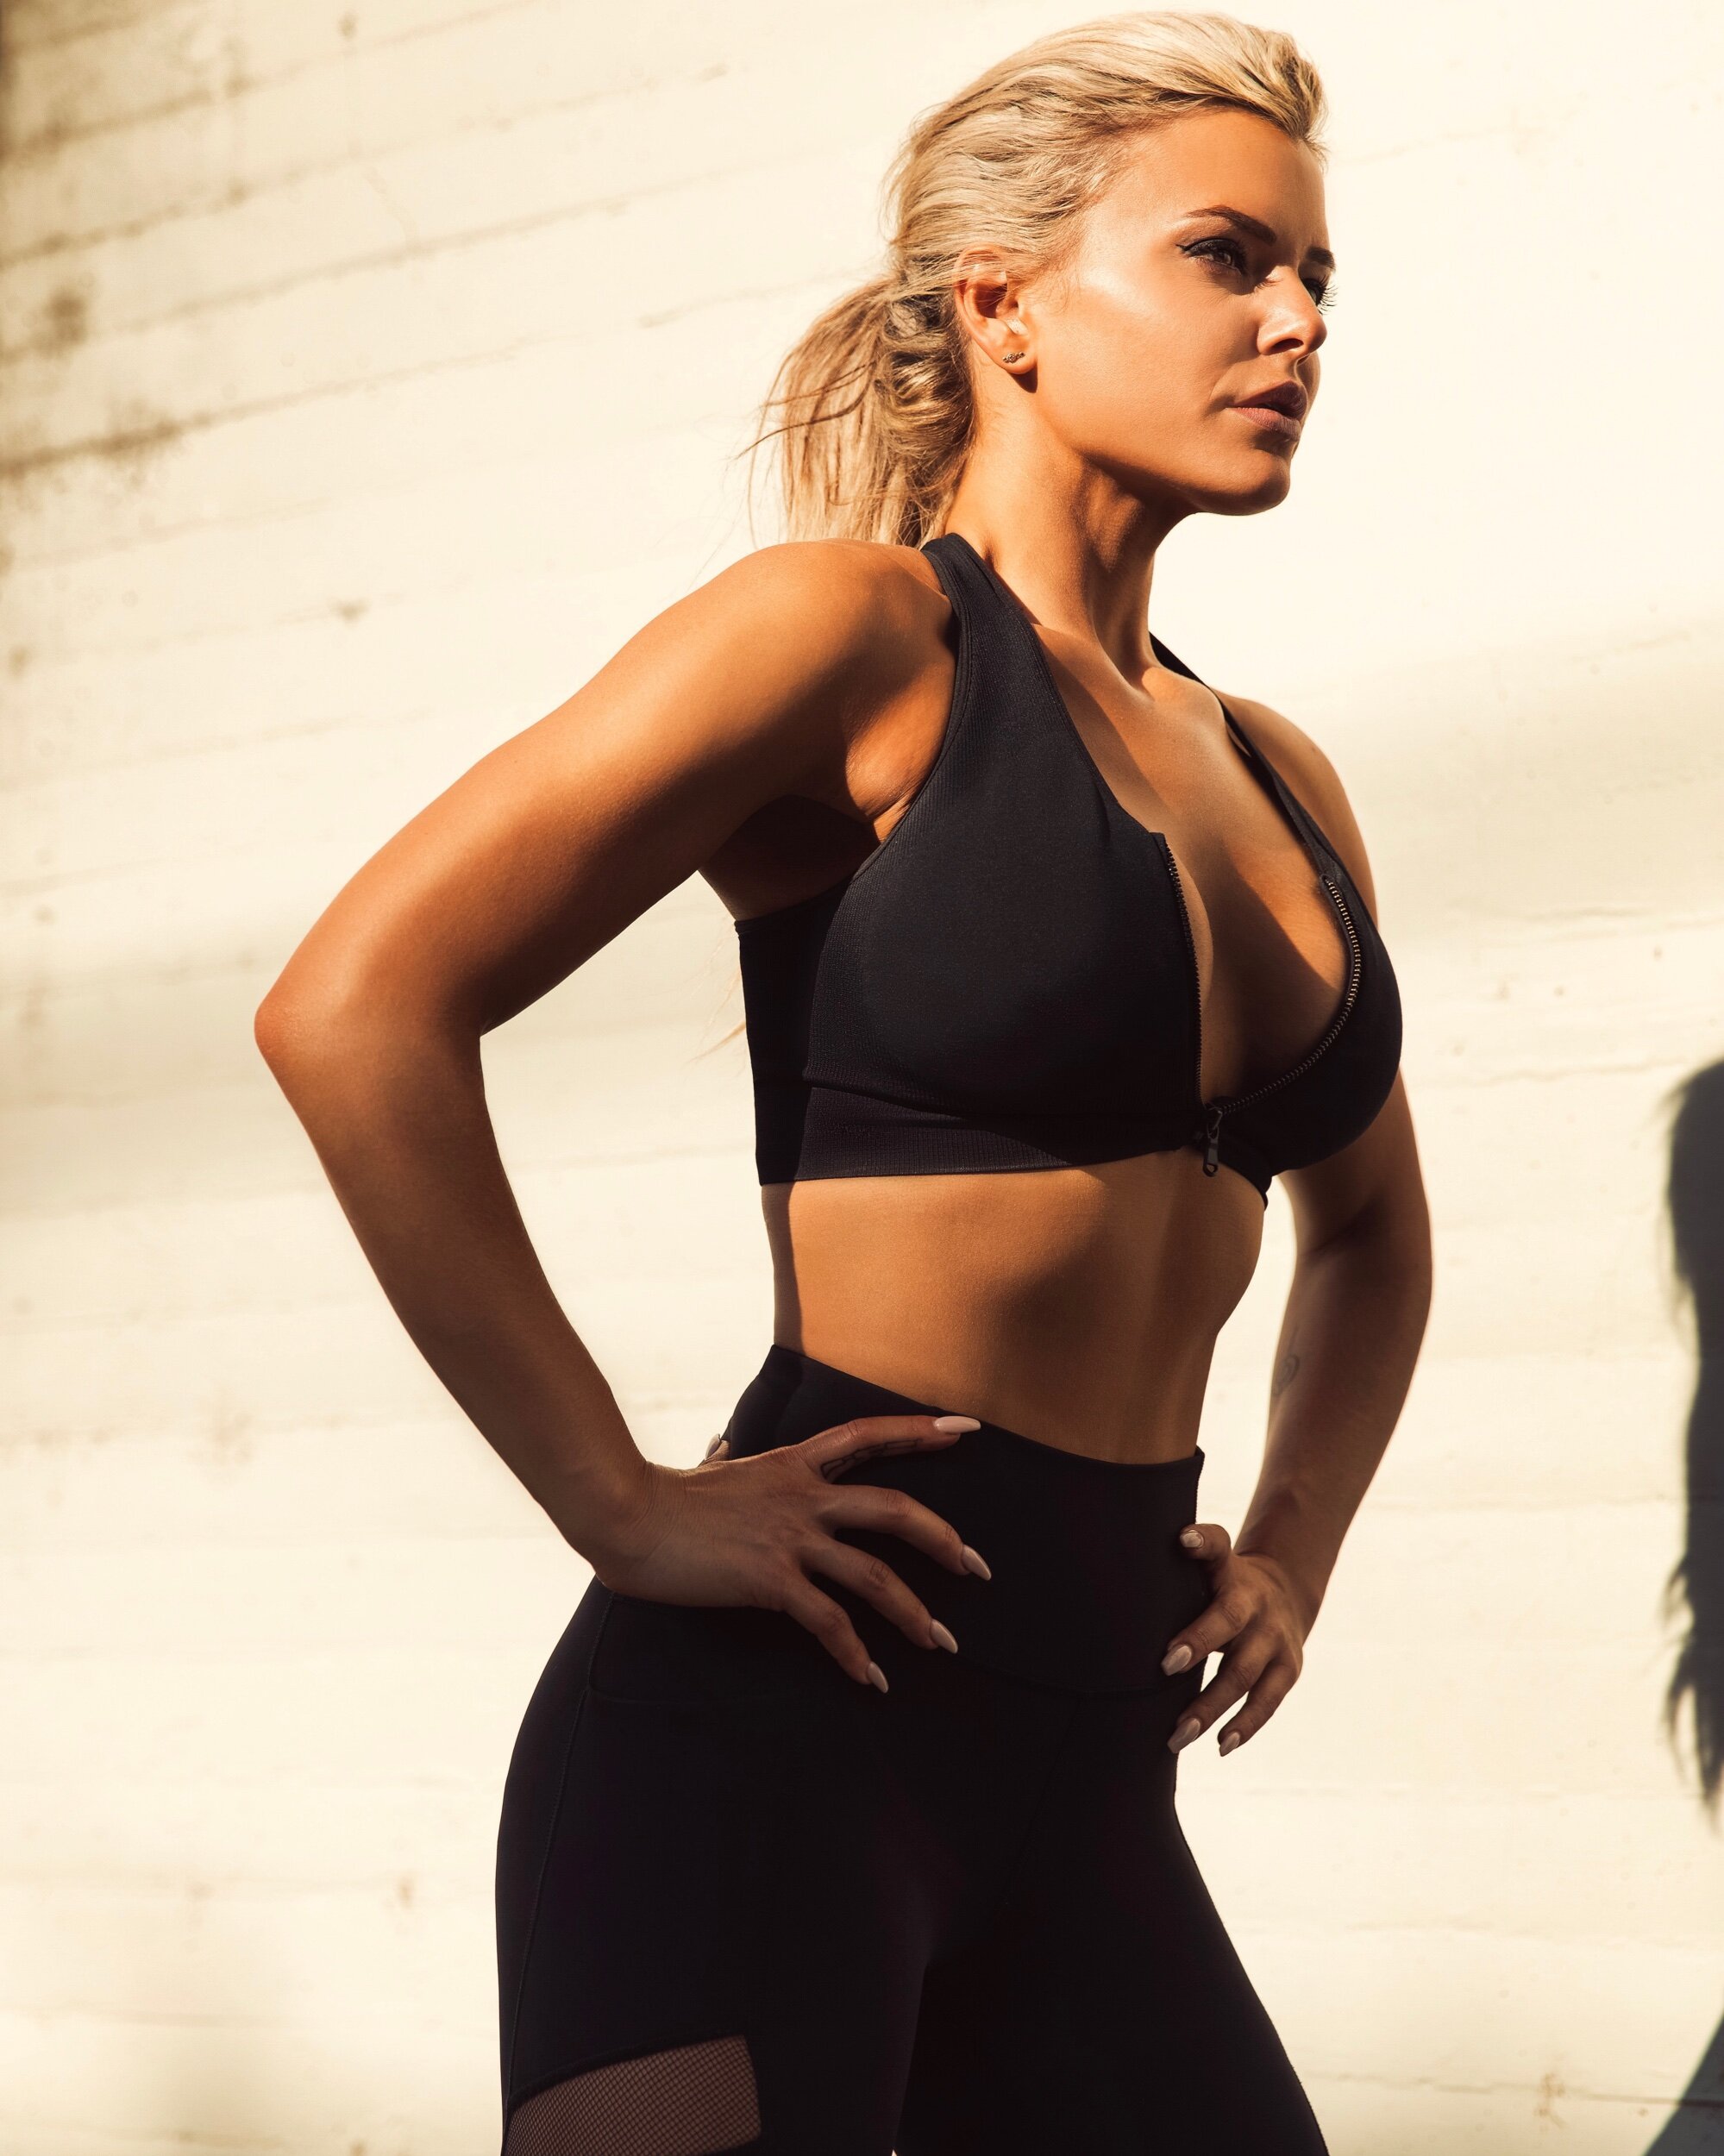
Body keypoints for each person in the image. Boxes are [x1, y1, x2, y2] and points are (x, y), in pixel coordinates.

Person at [255, 10, 1433, 2152]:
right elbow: (354, 1005)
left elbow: (1371, 1238)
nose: (1297, 323)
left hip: (1096, 1772)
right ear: (1003, 305)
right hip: (774, 1734)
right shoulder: (853, 639)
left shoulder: (1281, 779)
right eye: (1226, 256)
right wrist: (617, 1497)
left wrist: (1292, 1545)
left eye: (1315, 276)